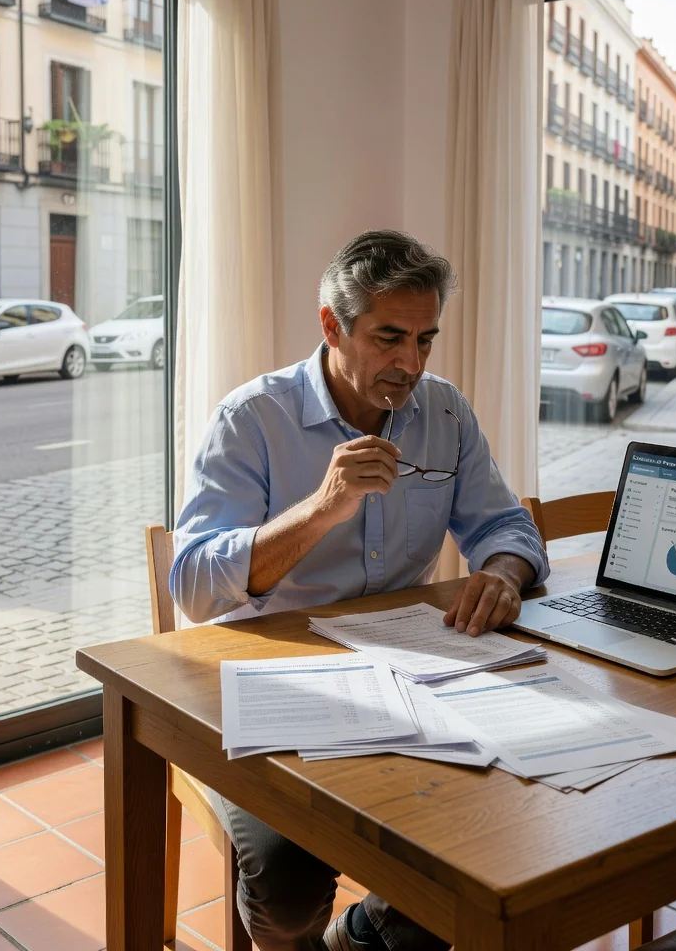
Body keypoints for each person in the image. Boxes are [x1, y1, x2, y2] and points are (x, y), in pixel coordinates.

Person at [172, 229, 548, 951]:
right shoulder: (253, 419)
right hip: (271, 688)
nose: (410, 364)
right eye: (388, 338)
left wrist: (503, 570)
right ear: (331, 326)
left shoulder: (445, 414)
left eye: (425, 340)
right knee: (285, 891)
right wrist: (320, 510)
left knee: (494, 840)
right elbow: (191, 584)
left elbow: (504, 523)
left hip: (409, 676)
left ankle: (362, 932)